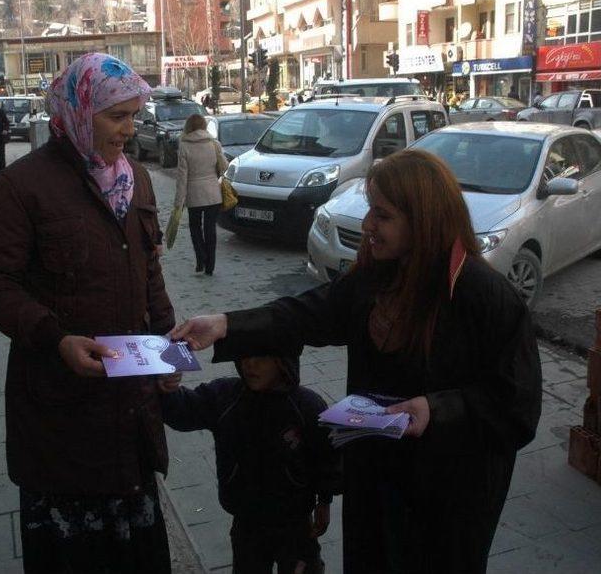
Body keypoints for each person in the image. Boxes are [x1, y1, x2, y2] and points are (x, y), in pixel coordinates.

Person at [171, 149, 543, 574]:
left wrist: (435, 410)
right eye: (370, 211)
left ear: (422, 220)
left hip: (444, 499)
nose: (367, 225)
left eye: (382, 216)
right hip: (375, 483)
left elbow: (516, 405)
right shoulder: (378, 277)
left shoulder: (484, 298)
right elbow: (308, 314)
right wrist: (224, 325)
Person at [0, 53, 176, 573]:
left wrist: (169, 346)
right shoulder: (19, 188)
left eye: (134, 115)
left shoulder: (137, 180)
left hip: (130, 416)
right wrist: (56, 338)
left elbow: (150, 272)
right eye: (117, 116)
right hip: (61, 419)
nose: (130, 129)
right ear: (79, 112)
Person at [160, 353, 341, 573]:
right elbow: (184, 411)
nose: (250, 364)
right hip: (247, 521)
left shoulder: (306, 406)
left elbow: (325, 458)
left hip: (295, 522)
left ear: (283, 360)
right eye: (244, 355)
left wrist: (324, 501)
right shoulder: (226, 397)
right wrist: (166, 390)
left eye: (262, 357)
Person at [174, 113, 227, 276]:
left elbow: (182, 176)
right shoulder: (214, 143)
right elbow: (224, 167)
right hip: (213, 193)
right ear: (204, 125)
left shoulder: (184, 145)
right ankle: (210, 265)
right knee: (210, 229)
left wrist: (179, 201)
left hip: (193, 194)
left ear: (188, 126)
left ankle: (200, 258)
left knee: (195, 227)